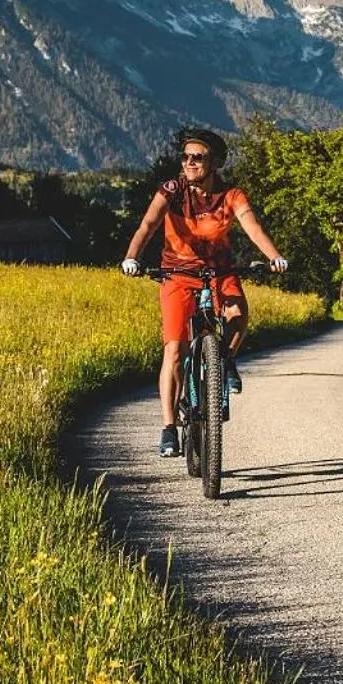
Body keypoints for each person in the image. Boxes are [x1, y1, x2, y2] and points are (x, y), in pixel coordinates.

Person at [122, 127, 287, 458]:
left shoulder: (231, 196)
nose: (189, 163)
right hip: (177, 273)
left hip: (219, 271)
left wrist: (274, 256)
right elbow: (147, 225)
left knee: (238, 316)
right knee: (174, 350)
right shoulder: (172, 190)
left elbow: (252, 227)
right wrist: (131, 257)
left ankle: (224, 361)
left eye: (197, 158)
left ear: (215, 163)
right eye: (185, 157)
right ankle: (169, 427)